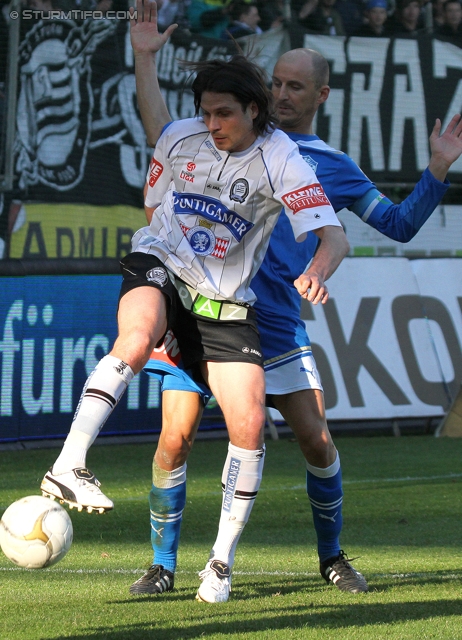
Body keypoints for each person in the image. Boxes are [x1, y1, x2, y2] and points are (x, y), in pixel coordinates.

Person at [43, 11, 462, 601]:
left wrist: (436, 171)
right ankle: (163, 565)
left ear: (319, 94)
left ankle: (331, 557)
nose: (283, 92)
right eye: (277, 81)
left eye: (296, 85)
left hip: (272, 323)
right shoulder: (220, 138)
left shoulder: (325, 165)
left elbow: (395, 224)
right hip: (195, 306)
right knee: (174, 439)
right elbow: (164, 138)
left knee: (314, 438)